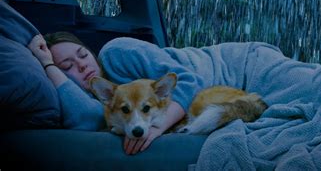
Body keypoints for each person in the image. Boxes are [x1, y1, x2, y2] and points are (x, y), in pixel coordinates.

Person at [28, 31, 285, 155]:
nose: (82, 65)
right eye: (67, 66)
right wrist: (48, 65)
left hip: (233, 65)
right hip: (219, 92)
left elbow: (189, 80)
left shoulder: (116, 52)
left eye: (82, 54)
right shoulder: (102, 101)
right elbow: (85, 118)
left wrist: (158, 127)